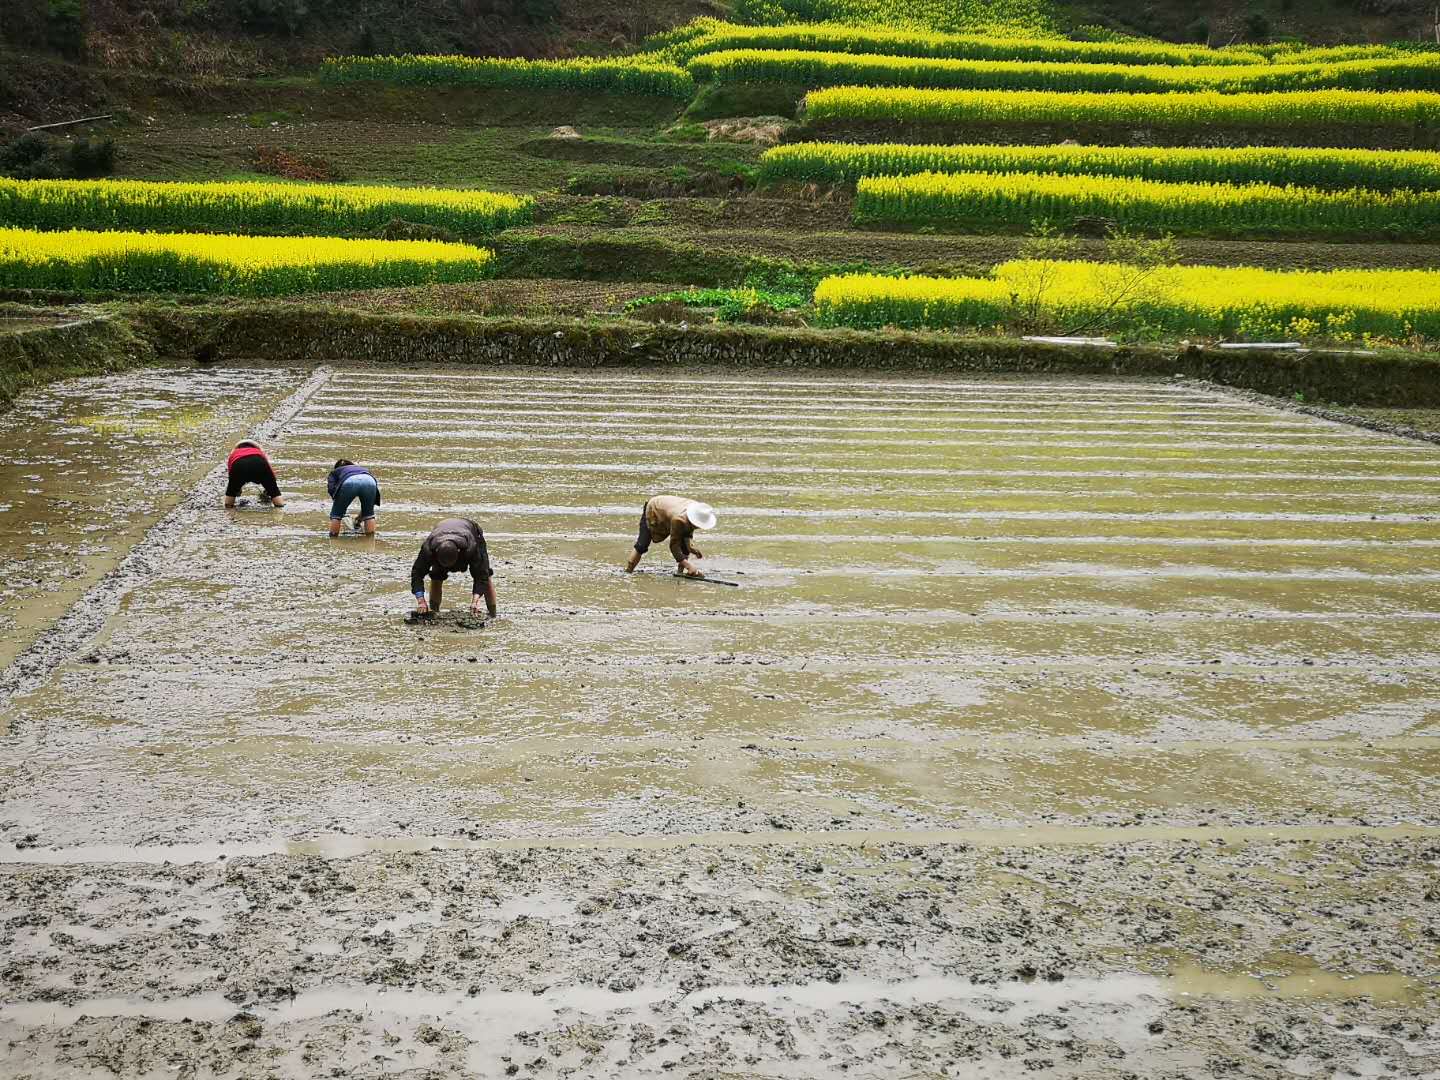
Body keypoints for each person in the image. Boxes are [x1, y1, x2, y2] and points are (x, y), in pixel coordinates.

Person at [411, 518, 497, 617]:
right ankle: (434, 612)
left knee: (485, 574)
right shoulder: (429, 549)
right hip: (440, 535)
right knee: (436, 576)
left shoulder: (471, 547)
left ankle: (492, 614)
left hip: (470, 530)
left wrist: (475, 601)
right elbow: (416, 573)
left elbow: (481, 576)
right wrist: (421, 601)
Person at [625, 496, 717, 579]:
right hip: (653, 509)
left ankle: (680, 574)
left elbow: (688, 530)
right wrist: (689, 566)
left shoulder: (697, 510)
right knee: (642, 544)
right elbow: (674, 546)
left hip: (669, 510)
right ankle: (628, 572)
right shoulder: (679, 519)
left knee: (685, 547)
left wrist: (690, 547)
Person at [326, 459, 380, 537]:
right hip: (370, 481)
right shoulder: (363, 469)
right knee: (369, 515)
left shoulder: (335, 472)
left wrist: (339, 505)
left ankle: (333, 539)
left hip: (349, 482)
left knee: (336, 515)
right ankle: (370, 539)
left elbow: (331, 489)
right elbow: (372, 488)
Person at [224, 440, 284, 508]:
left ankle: (229, 513)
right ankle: (279, 507)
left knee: (230, 496)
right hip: (259, 463)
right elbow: (271, 475)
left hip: (239, 465)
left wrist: (237, 490)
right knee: (274, 492)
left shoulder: (234, 453)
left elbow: (232, 477)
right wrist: (269, 490)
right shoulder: (259, 452)